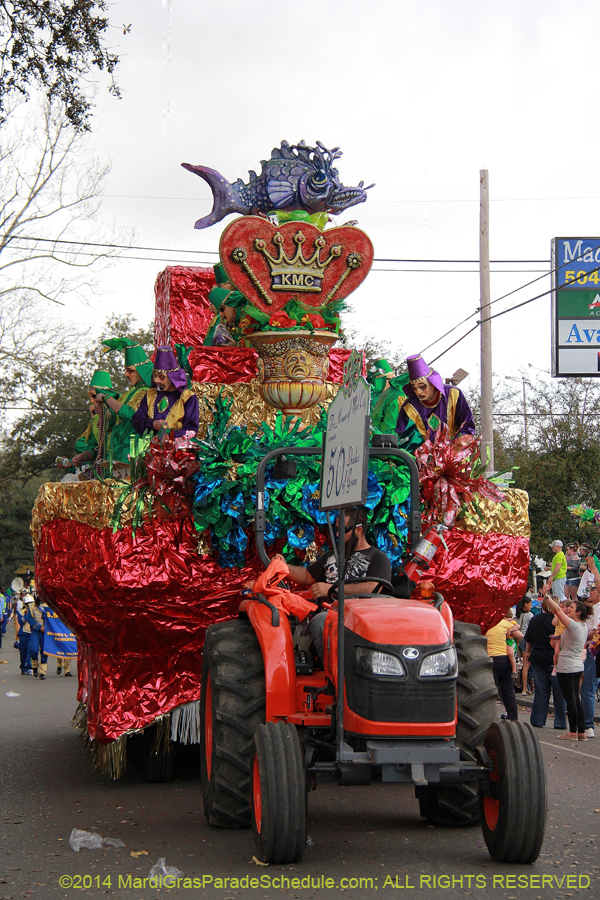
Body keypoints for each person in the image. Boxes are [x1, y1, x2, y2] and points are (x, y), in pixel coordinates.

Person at [278, 506, 392, 662]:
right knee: (321, 621)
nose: (337, 534)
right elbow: (306, 576)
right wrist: (284, 567)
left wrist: (333, 589)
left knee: (326, 623)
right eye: (336, 529)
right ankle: (334, 675)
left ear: (358, 530)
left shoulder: (378, 558)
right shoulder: (331, 556)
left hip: (363, 620)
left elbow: (374, 587)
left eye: (342, 530)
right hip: (330, 616)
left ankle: (344, 676)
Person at [97, 338, 154, 478]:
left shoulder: (147, 392)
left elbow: (131, 415)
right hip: (117, 455)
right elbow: (115, 420)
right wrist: (105, 414)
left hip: (133, 454)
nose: (126, 374)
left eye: (130, 371)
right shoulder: (127, 394)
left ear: (142, 370)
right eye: (126, 370)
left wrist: (106, 398)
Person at [395, 354, 475, 452]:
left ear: (432, 382)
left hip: (455, 457)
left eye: (422, 386)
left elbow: (466, 425)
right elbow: (404, 440)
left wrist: (459, 444)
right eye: (414, 388)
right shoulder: (409, 407)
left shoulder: (453, 394)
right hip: (422, 462)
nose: (418, 392)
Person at [132, 347, 199, 445]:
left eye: (161, 377)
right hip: (149, 450)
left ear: (173, 376)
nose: (157, 381)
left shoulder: (187, 397)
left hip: (176, 453)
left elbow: (191, 430)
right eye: (155, 376)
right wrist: (153, 424)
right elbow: (137, 419)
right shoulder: (150, 394)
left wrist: (170, 437)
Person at [547, 596, 591, 740]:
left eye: (571, 608)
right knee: (576, 699)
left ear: (578, 612)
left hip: (567, 666)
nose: (568, 609)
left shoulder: (573, 625)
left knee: (570, 699)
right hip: (577, 665)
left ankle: (572, 732)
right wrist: (558, 639)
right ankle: (581, 732)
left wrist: (547, 596)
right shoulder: (583, 626)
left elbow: (558, 610)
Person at [523, 596, 567, 730]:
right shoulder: (559, 621)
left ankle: (538, 719)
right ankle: (560, 722)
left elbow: (528, 638)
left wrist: (528, 652)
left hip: (538, 656)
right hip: (555, 657)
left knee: (541, 690)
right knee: (559, 692)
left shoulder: (535, 619)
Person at [72, 370, 119, 469]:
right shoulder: (95, 419)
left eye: (94, 396)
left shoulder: (120, 409)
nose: (91, 401)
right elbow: (95, 448)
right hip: (103, 468)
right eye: (90, 396)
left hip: (122, 464)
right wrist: (83, 456)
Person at [485, 609, 524, 721]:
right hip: (505, 659)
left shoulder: (486, 625)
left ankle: (488, 718)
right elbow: (520, 635)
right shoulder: (505, 624)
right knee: (508, 690)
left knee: (490, 690)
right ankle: (513, 717)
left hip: (491, 658)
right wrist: (511, 641)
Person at [577, 555, 600, 737]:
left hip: (595, 651)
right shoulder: (592, 609)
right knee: (588, 688)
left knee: (589, 689)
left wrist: (592, 567)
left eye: (592, 589)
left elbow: (594, 632)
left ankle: (587, 724)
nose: (589, 591)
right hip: (591, 650)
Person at [23, 594, 48, 679]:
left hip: (45, 631)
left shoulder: (47, 606)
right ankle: (34, 666)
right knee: (34, 650)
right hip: (35, 631)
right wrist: (39, 627)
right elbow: (29, 619)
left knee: (44, 652)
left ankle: (43, 672)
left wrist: (45, 627)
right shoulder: (31, 606)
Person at [515, 595, 534, 692]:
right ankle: (525, 688)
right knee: (526, 664)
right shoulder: (529, 615)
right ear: (525, 605)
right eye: (530, 604)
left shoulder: (517, 615)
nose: (531, 607)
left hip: (518, 639)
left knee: (522, 664)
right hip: (526, 640)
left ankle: (522, 685)